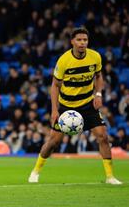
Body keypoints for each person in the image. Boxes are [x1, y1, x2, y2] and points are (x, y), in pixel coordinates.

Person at [29, 27, 122, 185]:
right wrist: (54, 109)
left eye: (85, 40)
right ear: (72, 41)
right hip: (67, 106)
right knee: (53, 142)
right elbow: (55, 86)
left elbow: (99, 77)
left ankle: (110, 177)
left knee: (103, 137)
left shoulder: (95, 57)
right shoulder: (64, 60)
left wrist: (98, 94)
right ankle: (35, 171)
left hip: (87, 104)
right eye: (79, 40)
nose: (82, 43)